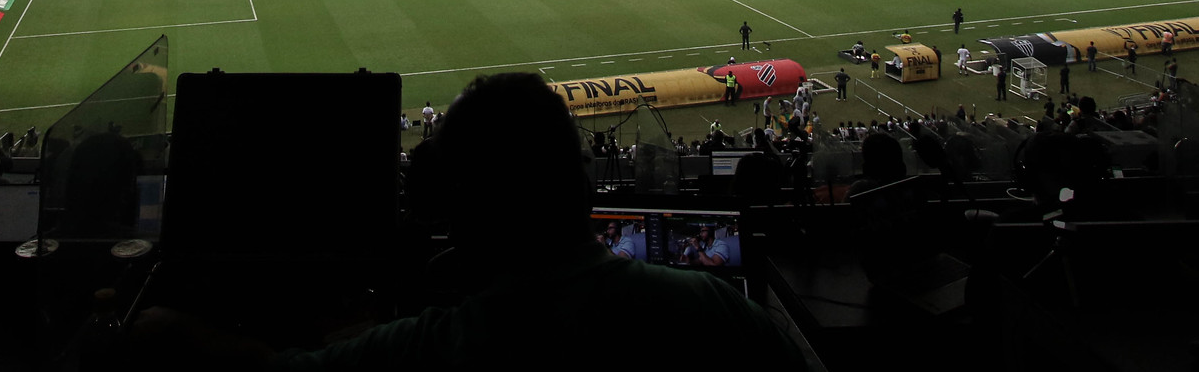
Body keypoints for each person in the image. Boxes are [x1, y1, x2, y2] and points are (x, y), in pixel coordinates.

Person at [135, 73, 803, 366]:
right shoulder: (718, 310)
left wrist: (157, 324)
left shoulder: (437, 344)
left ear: (457, 216)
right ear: (581, 189)